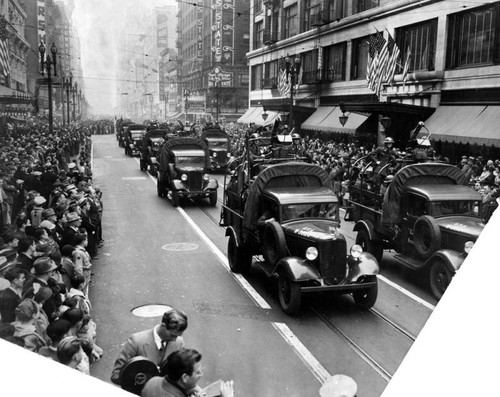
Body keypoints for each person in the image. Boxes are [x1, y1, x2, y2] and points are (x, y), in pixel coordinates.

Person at [111, 308, 188, 385]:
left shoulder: (179, 343)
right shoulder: (136, 341)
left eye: (177, 336)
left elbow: (184, 374)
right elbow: (116, 375)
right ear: (163, 326)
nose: (174, 340)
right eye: (172, 335)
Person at [142, 348, 234, 397]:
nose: (202, 374)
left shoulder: (152, 381)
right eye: (197, 372)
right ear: (185, 378)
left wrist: (187, 389)